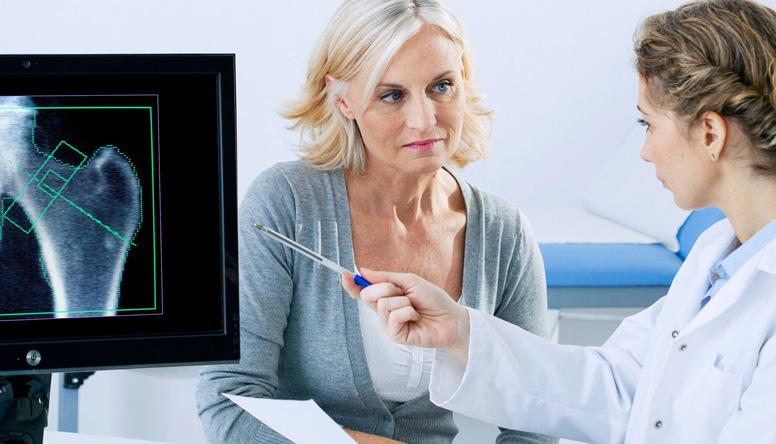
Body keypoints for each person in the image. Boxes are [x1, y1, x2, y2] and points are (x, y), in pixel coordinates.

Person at [342, 0, 776, 443]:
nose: (645, 151)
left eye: (648, 124)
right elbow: (616, 386)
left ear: (710, 134)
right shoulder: (718, 258)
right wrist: (457, 330)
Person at [196, 1, 556, 443]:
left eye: (442, 86)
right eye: (392, 95)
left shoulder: (503, 232)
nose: (425, 119)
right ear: (344, 99)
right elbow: (228, 402)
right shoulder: (286, 203)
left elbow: (536, 421)